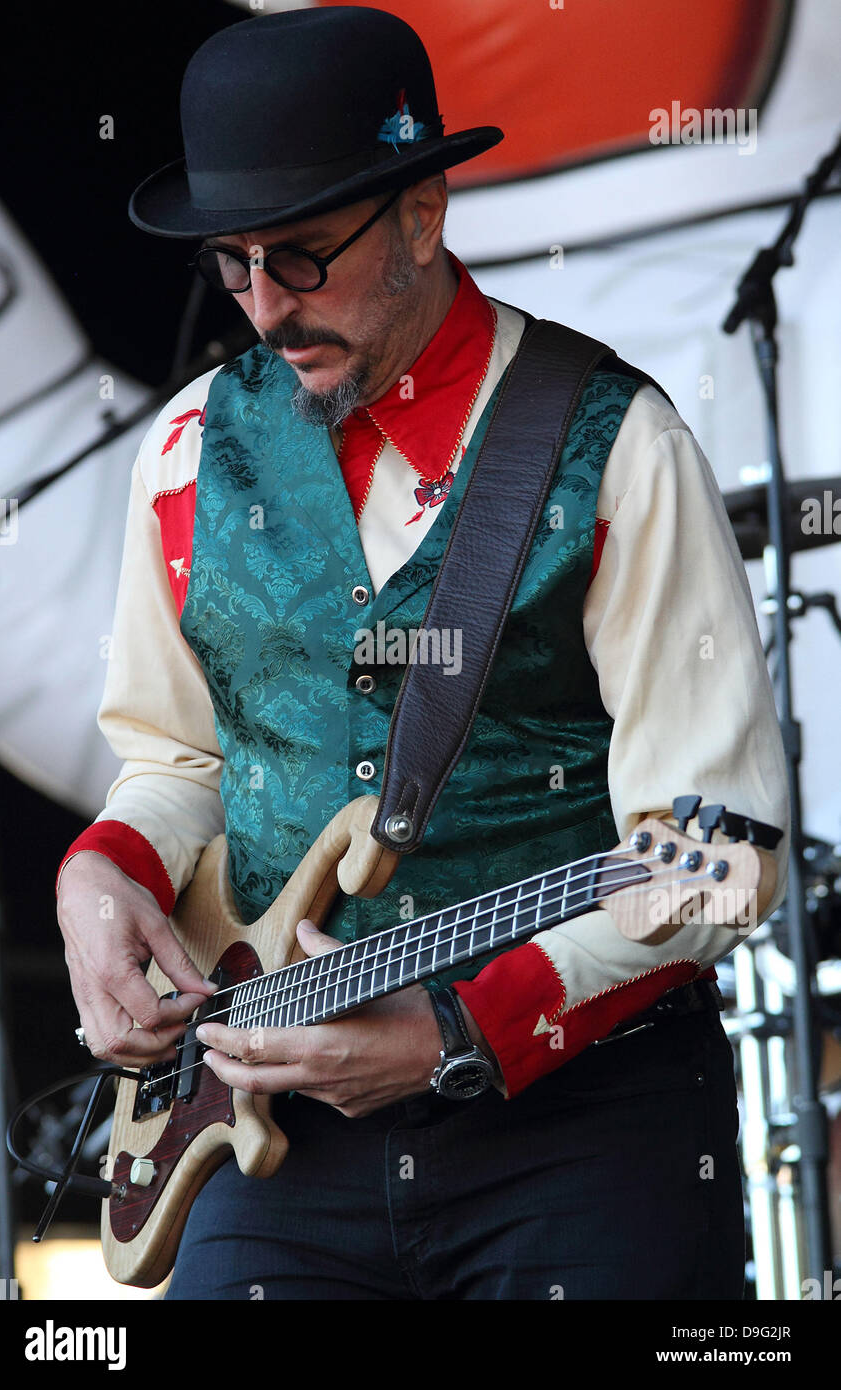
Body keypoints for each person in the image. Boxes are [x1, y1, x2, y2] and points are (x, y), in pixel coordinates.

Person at [56, 7, 789, 1300]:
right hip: (269, 1136)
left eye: (302, 254)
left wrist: (457, 1027)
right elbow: (174, 754)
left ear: (421, 214)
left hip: (580, 1132)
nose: (266, 307)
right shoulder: (181, 451)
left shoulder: (614, 443)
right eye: (231, 264)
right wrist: (103, 876)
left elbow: (722, 848)